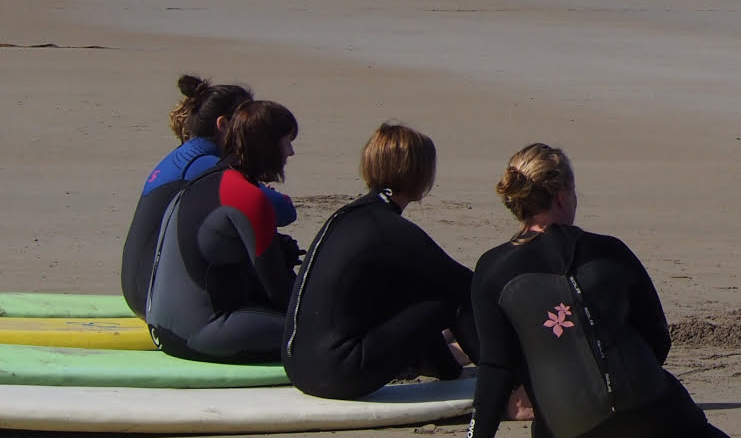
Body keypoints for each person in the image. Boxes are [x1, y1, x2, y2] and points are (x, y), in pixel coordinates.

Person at [428, 143, 741, 438]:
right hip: (651, 412)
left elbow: (496, 365)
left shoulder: (493, 269)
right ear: (562, 196)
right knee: (677, 409)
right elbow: (658, 338)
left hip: (572, 436)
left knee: (544, 437)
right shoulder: (611, 251)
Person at [283, 123, 478, 400]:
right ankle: (506, 381)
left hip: (300, 368)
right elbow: (466, 284)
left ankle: (447, 370)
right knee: (451, 298)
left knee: (418, 289)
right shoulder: (387, 229)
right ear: (419, 174)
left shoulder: (350, 216)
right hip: (338, 375)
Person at [145, 99, 304, 363]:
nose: (290, 152)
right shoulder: (248, 196)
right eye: (287, 142)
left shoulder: (204, 180)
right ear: (267, 146)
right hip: (199, 336)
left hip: (161, 330)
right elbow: (280, 292)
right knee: (321, 329)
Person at [121, 75, 295, 315]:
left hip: (145, 287)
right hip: (152, 294)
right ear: (223, 125)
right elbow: (282, 210)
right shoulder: (203, 165)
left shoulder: (186, 156)